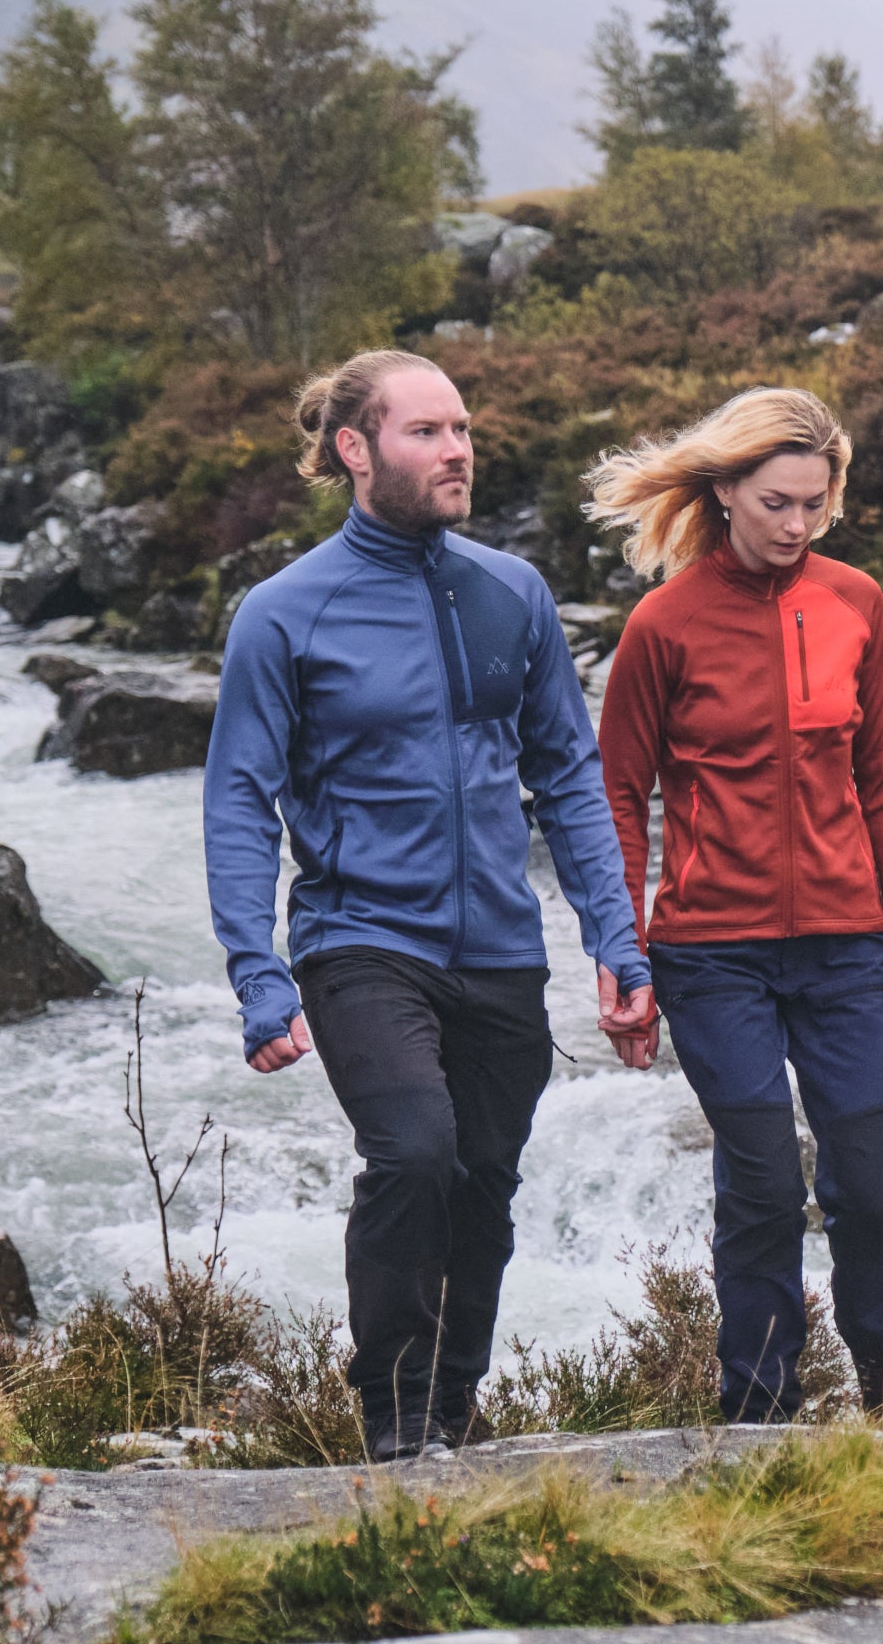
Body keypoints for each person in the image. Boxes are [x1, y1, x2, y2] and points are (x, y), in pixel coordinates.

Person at [204, 348, 646, 1461]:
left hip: (499, 945)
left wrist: (615, 938)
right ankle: (394, 1417)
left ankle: (454, 1406)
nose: (456, 450)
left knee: (485, 1184)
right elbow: (240, 800)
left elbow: (571, 777)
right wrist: (257, 974)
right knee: (413, 1151)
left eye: (462, 429)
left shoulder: (513, 592)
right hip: (361, 939)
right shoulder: (283, 613)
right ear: (355, 449)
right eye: (426, 432)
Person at [589, 386, 883, 1424]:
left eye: (814, 505)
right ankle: (758, 1409)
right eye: (777, 501)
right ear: (726, 490)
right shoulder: (662, 625)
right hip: (713, 952)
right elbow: (616, 791)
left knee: (875, 1186)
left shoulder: (854, 602)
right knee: (758, 1186)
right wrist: (625, 957)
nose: (796, 525)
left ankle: (882, 1368)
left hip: (848, 947)